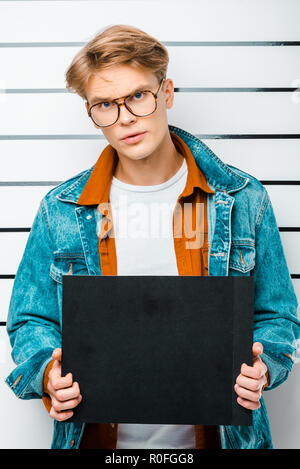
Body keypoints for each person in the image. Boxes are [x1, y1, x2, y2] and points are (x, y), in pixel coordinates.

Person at [5, 24, 300, 450]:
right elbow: (31, 320)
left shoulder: (242, 200)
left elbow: (277, 317)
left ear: (167, 93)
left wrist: (264, 367)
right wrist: (48, 375)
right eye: (105, 104)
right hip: (98, 443)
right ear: (91, 114)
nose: (124, 118)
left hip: (222, 441)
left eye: (138, 96)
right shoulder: (61, 209)